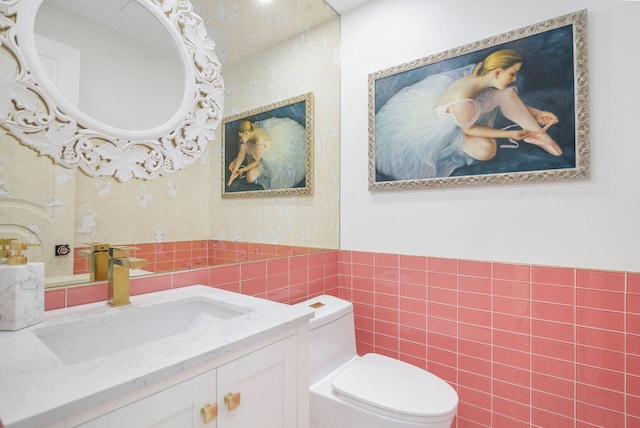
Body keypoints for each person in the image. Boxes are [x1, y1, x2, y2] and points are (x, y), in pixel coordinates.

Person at [374, 49, 562, 180]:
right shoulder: (463, 96)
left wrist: (538, 113)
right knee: (487, 151)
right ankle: (534, 132)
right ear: (497, 72)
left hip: (465, 119)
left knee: (506, 94)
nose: (514, 79)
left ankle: (539, 135)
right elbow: (470, 129)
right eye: (512, 74)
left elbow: (500, 98)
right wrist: (510, 134)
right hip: (448, 132)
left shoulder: (480, 80)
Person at [227, 117, 307, 189]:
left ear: (246, 133)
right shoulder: (254, 129)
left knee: (250, 178)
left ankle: (237, 172)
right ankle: (232, 175)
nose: (240, 139)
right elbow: (245, 147)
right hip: (259, 149)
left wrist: (241, 170)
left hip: (266, 155)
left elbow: (255, 162)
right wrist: (235, 162)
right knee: (243, 146)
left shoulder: (258, 145)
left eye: (241, 137)